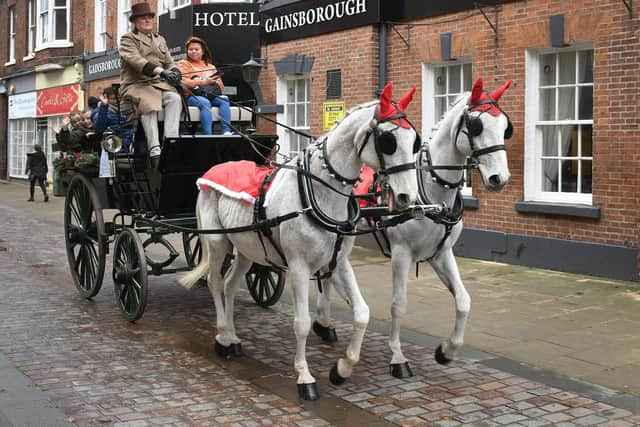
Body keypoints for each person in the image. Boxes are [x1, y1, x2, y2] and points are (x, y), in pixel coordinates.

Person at [118, 1, 182, 166]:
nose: (147, 21)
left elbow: (169, 61)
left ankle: (171, 143)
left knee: (174, 98)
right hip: (135, 84)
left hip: (158, 84)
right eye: (142, 18)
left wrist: (174, 72)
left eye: (149, 18)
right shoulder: (128, 39)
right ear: (134, 22)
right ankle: (155, 151)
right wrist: (161, 71)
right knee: (149, 103)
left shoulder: (160, 39)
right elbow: (136, 60)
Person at [178, 36, 232, 135]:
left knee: (224, 100)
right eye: (190, 49)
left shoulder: (211, 66)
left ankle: (226, 131)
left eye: (196, 49)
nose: (193, 51)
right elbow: (183, 81)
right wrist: (203, 81)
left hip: (210, 94)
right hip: (191, 95)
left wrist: (210, 82)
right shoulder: (183, 63)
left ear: (203, 51)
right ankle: (208, 134)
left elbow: (221, 86)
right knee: (205, 102)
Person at [93, 87, 134, 152]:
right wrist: (104, 106)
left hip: (129, 145)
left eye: (118, 98)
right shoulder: (100, 111)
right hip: (113, 148)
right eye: (113, 99)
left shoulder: (124, 110)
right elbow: (99, 128)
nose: (116, 101)